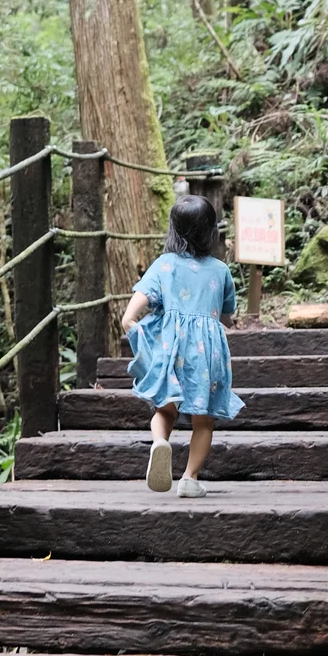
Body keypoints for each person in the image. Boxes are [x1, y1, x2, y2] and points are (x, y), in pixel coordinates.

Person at [120, 194, 244, 497]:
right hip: (209, 353)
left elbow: (131, 314)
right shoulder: (220, 270)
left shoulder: (164, 265)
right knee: (204, 421)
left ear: (173, 231)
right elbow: (227, 313)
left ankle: (161, 443)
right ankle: (189, 477)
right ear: (212, 232)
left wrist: (136, 331)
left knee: (165, 410)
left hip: (171, 349)